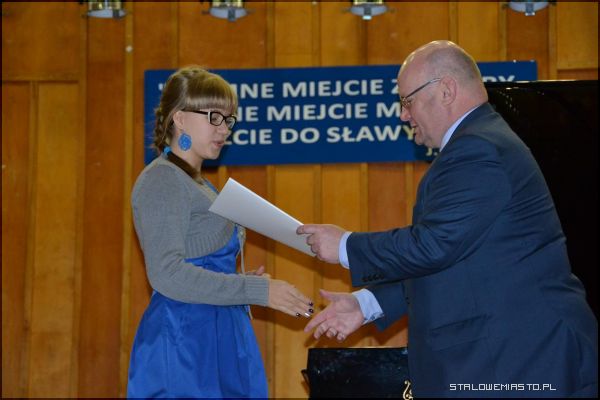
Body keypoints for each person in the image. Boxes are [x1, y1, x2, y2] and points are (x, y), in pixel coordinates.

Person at [298, 40, 597, 398]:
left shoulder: (478, 148)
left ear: (446, 90)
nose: (403, 115)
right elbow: (453, 260)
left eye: (407, 101)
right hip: (514, 356)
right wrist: (367, 304)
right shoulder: (481, 142)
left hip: (522, 358)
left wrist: (346, 246)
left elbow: (435, 245)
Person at [127, 66, 314, 398]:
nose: (224, 129)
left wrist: (240, 281)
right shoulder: (162, 179)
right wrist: (256, 290)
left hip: (215, 330)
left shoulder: (199, 184)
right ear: (179, 118)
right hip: (186, 342)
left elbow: (201, 261)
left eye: (229, 120)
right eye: (214, 117)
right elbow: (166, 274)